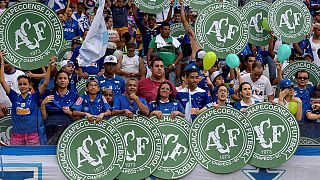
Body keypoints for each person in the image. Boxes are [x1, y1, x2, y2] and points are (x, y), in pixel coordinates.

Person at [0, 54, 53, 145]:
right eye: (20, 84)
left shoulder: (34, 97)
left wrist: (49, 66)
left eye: (25, 84)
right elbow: (2, 81)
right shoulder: (14, 96)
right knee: (15, 159)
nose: (22, 86)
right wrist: (2, 61)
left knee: (33, 158)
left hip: (32, 136)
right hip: (17, 136)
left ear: (29, 85)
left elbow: (45, 83)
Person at [41, 70, 79, 145]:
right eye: (60, 78)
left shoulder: (75, 95)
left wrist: (70, 113)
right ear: (56, 81)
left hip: (68, 129)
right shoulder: (49, 94)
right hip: (51, 128)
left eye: (65, 78)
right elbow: (44, 118)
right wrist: (43, 104)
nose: (62, 80)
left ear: (68, 81)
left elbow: (77, 118)